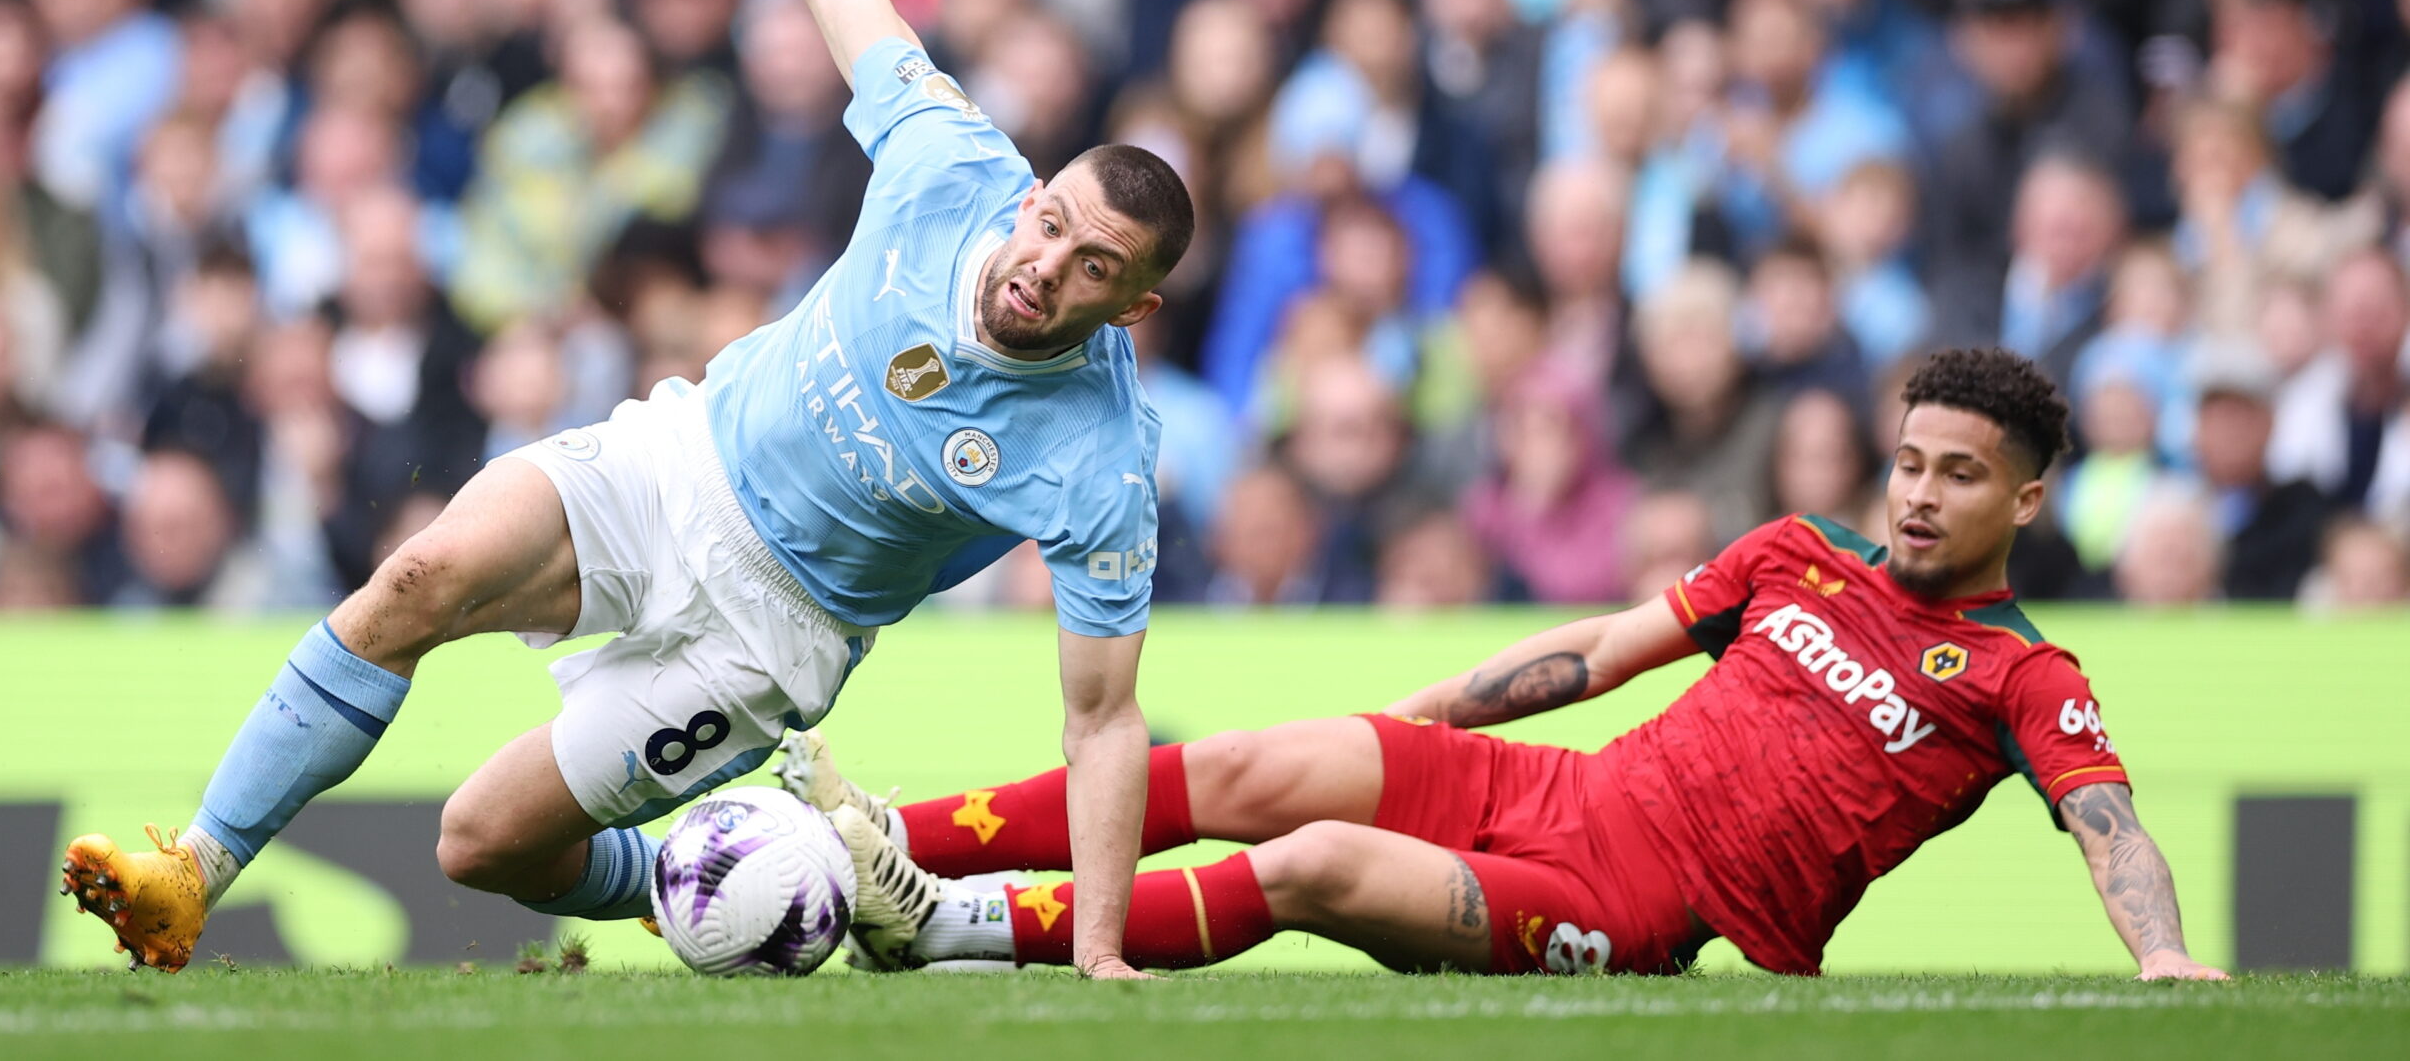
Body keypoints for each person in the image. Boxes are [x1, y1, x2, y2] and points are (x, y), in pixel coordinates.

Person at [59, 0, 1192, 984]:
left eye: (1092, 270)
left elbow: (1104, 719)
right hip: (679, 458)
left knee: (481, 845)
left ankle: (753, 885)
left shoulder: (1096, 457)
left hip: (772, 634)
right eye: (1055, 223)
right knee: (416, 576)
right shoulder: (952, 163)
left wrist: (1102, 953)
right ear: (1032, 196)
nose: (1046, 265)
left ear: (1128, 310)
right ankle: (193, 871)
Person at [790, 347, 2227, 984]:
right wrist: (1416, 717)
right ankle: (858, 845)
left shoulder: (2022, 673)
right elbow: (1602, 651)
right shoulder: (1797, 550)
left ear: (2022, 502)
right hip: (1558, 788)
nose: (1918, 494)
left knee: (1314, 866)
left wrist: (2161, 954)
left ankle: (950, 926)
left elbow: (2109, 823)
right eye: (1909, 461)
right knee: (1249, 766)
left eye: (1958, 476)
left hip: (1637, 902)